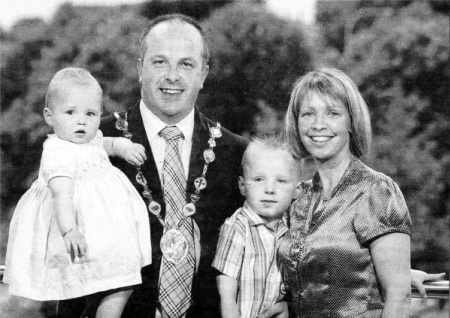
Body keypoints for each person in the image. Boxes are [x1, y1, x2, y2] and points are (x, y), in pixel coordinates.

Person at [99, 14, 248, 318]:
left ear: (203, 74)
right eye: (159, 62)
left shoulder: (238, 155)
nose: (172, 76)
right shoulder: (94, 143)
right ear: (139, 67)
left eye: (186, 64)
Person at [3, 68, 152, 318]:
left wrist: (123, 147)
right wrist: (69, 230)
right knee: (95, 283)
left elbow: (108, 143)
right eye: (70, 112)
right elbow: (61, 196)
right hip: (79, 230)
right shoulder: (57, 151)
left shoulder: (91, 138)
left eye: (90, 113)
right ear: (49, 116)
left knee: (122, 279)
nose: (81, 121)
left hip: (107, 234)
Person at [280, 67, 412, 317]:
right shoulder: (297, 197)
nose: (318, 125)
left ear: (352, 121)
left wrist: (403, 274)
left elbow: (399, 295)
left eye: (333, 113)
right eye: (308, 114)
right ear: (296, 123)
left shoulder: (376, 191)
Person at [213, 134, 299, 318]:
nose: (269, 189)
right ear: (243, 185)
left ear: (296, 190)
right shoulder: (237, 228)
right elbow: (226, 292)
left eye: (281, 181)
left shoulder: (293, 230)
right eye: (259, 179)